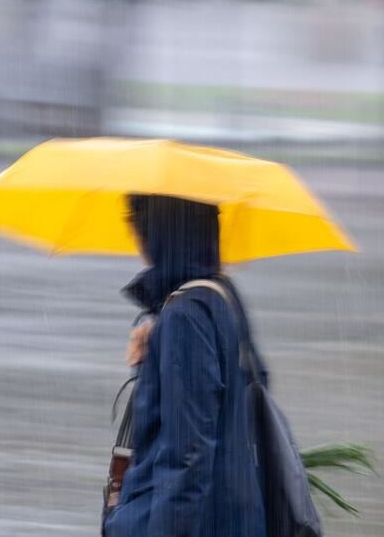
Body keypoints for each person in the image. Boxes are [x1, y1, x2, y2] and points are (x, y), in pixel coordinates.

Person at [103, 194, 266, 537]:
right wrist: (153, 352)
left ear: (161, 229)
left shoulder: (184, 318)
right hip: (231, 516)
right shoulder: (221, 297)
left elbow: (186, 455)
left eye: (136, 222)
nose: (134, 234)